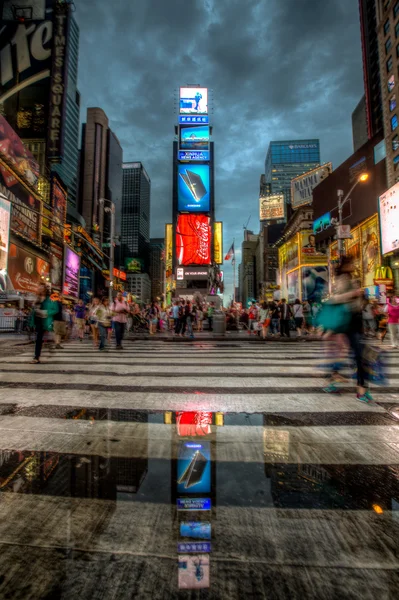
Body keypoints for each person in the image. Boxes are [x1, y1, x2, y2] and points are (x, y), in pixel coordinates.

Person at [30, 284, 57, 364]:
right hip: (37, 320)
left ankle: (37, 356)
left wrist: (46, 313)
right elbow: (33, 311)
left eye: (42, 288)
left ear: (45, 289)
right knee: (38, 338)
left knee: (39, 338)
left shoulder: (51, 298)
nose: (40, 289)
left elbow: (55, 309)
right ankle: (36, 356)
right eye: (39, 288)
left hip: (46, 320)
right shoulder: (36, 298)